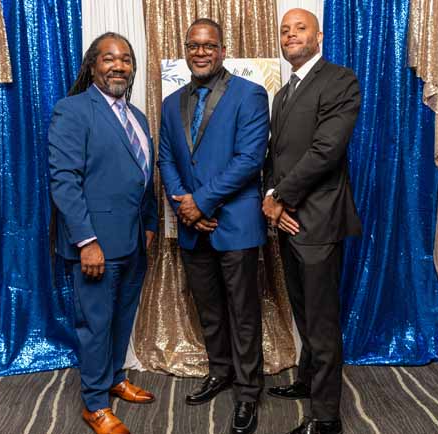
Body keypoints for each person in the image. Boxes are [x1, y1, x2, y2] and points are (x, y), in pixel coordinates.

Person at [158, 18, 269, 434]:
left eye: (209, 46)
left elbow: (249, 159)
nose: (200, 52)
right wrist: (185, 205)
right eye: (193, 46)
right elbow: (166, 158)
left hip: (234, 222)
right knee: (209, 310)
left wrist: (200, 201)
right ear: (186, 51)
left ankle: (247, 392)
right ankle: (220, 371)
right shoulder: (171, 103)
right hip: (192, 225)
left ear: (223, 51)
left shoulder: (250, 95)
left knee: (243, 313)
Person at [48, 32, 158, 434]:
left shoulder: (138, 117)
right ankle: (94, 403)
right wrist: (86, 241)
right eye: (109, 58)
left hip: (133, 241)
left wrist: (150, 224)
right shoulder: (73, 110)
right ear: (93, 65)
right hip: (95, 243)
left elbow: (143, 177)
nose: (119, 66)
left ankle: (114, 377)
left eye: (126, 59)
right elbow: (64, 180)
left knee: (121, 319)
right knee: (95, 325)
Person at [262, 8, 362, 434]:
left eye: (299, 29)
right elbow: (276, 155)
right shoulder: (284, 93)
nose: (290, 36)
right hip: (289, 219)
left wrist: (281, 198)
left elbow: (326, 151)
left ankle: (326, 419)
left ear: (318, 36)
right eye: (285, 31)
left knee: (322, 323)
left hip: (318, 221)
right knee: (303, 311)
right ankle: (307, 381)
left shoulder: (340, 80)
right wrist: (272, 196)